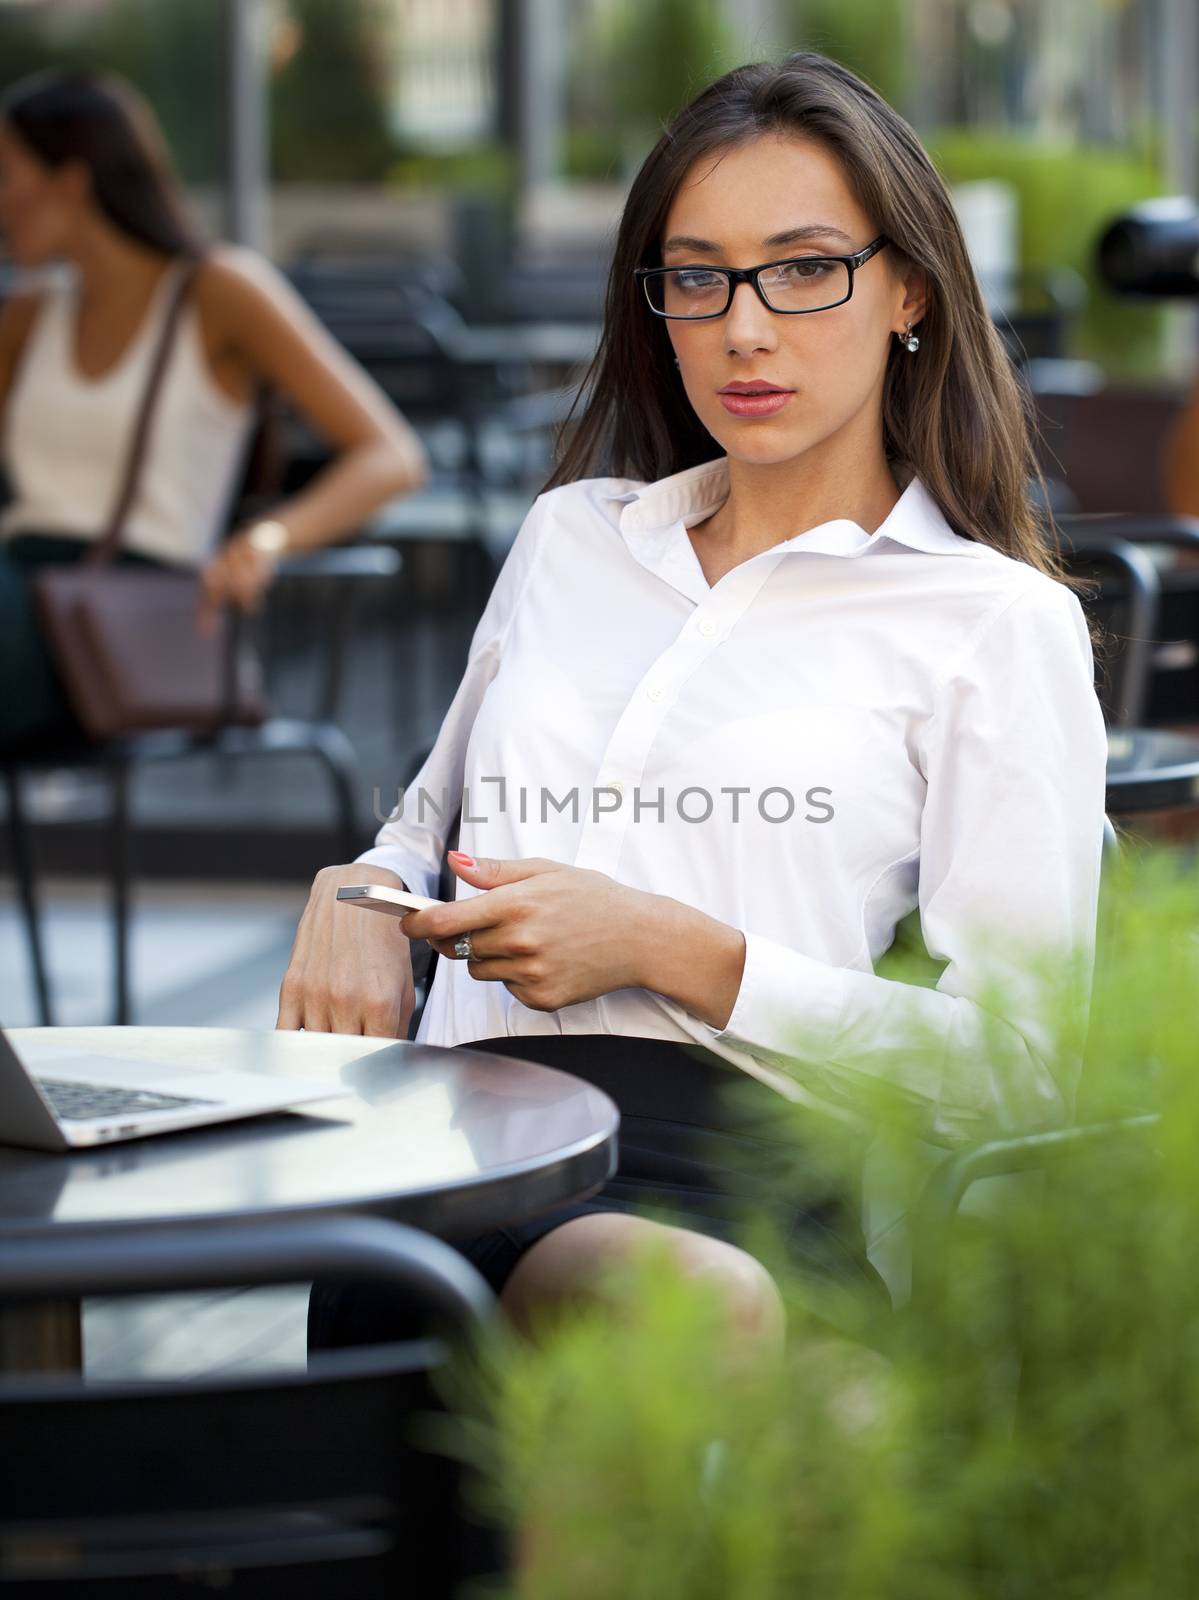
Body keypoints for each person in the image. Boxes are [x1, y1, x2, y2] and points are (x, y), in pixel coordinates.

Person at [282, 51, 1109, 1366]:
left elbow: (1021, 1064)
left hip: (731, 1166)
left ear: (904, 289)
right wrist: (356, 892)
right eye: (696, 275)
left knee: (641, 1300)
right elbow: (421, 828)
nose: (742, 326)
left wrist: (674, 948)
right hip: (447, 1147)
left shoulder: (990, 623)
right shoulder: (570, 538)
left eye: (800, 268)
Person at [0, 68, 427, 746]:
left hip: (137, 615)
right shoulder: (28, 317)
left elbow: (392, 455)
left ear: (71, 183)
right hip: (20, 591)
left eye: (6, 175)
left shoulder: (217, 291)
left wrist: (266, 539)